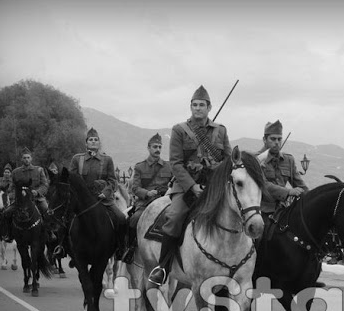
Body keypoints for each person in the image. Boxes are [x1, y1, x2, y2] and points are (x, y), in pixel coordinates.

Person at [149, 85, 232, 285]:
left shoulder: (220, 131)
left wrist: (217, 166)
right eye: (194, 105)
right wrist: (192, 186)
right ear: (191, 107)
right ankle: (163, 267)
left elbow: (228, 160)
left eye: (201, 105)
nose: (197, 108)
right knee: (175, 217)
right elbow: (175, 163)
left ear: (209, 107)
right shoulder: (180, 130)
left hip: (213, 188)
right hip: (186, 188)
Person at [69, 127, 126, 257]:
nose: (93, 142)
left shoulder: (107, 160)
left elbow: (112, 180)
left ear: (99, 143)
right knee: (65, 220)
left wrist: (105, 193)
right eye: (90, 139)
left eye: (96, 140)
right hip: (82, 202)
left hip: (103, 200)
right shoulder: (77, 159)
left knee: (121, 219)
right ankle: (63, 247)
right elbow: (71, 180)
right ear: (86, 143)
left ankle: (120, 249)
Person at [124, 133, 173, 264]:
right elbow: (135, 188)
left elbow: (174, 184)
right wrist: (147, 193)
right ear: (148, 148)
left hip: (165, 202)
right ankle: (130, 247)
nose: (157, 149)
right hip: (146, 203)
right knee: (133, 219)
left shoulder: (169, 166)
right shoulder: (140, 167)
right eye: (155, 147)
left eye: (160, 147)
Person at [257, 120, 308, 218]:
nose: (277, 142)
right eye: (273, 139)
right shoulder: (256, 159)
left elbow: (301, 185)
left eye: (279, 139)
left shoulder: (288, 160)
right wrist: (288, 192)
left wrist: (313, 197)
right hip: (260, 211)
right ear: (264, 139)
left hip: (282, 211)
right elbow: (263, 184)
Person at [0, 148, 49, 242]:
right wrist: (16, 195)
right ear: (21, 159)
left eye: (28, 157)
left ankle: (49, 234)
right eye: (24, 158)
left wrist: (37, 192)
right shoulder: (15, 172)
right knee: (6, 213)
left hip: (37, 198)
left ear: (31, 159)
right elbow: (11, 187)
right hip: (20, 201)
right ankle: (9, 234)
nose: (26, 159)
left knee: (47, 210)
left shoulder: (38, 170)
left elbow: (44, 185)